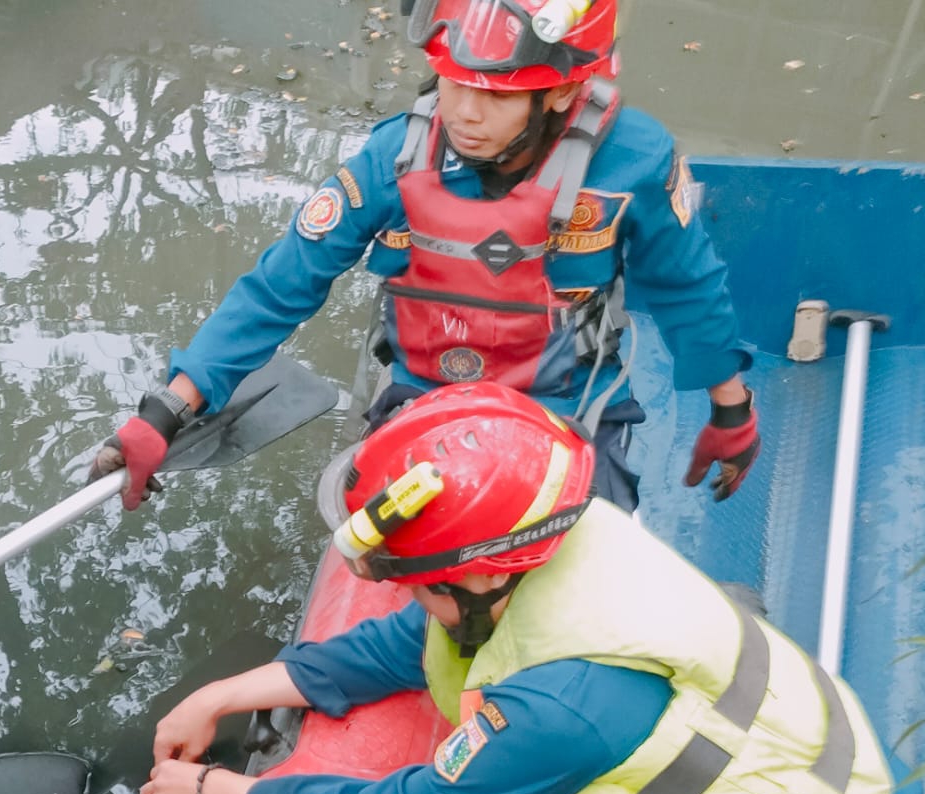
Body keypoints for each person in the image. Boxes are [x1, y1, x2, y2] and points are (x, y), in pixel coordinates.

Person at [139, 381, 925, 794]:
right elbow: (406, 646)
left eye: (417, 579)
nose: (402, 592)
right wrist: (224, 694)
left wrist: (215, 793)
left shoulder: (564, 706)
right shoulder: (562, 537)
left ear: (484, 576)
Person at [90, 0, 760, 514]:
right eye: (452, 84)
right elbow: (280, 287)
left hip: (566, 412)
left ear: (561, 91)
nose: (463, 113)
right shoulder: (394, 160)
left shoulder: (632, 162)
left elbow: (685, 288)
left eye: (494, 94)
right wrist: (164, 412)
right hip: (424, 403)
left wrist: (730, 411)